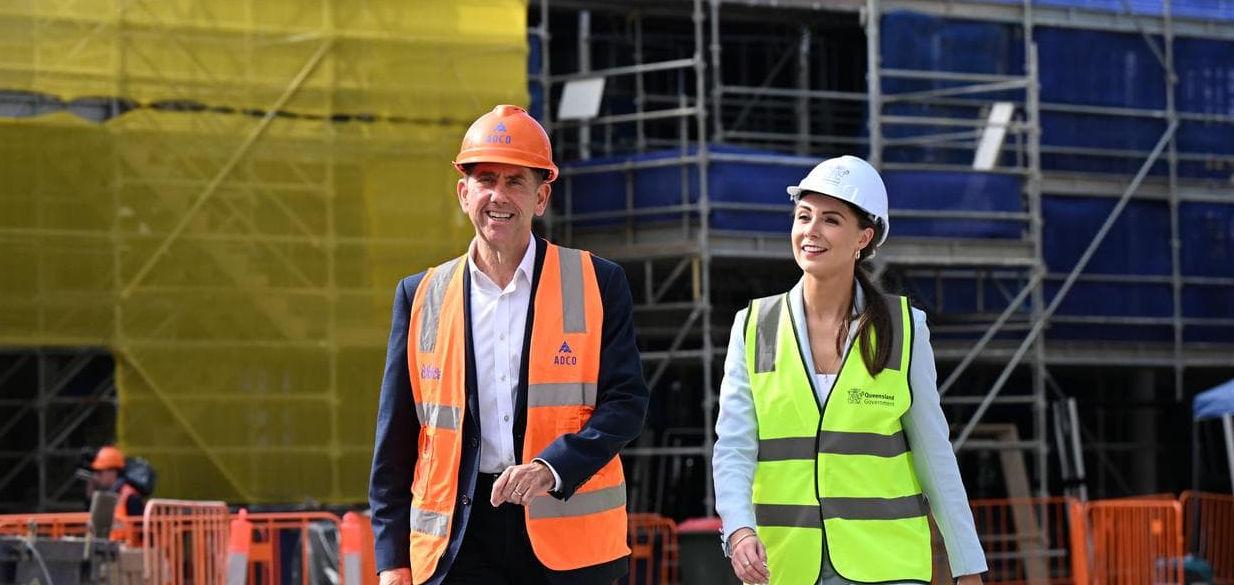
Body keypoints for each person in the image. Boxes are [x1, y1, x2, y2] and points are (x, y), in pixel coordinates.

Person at [368, 104, 649, 585]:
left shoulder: (597, 282)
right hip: (458, 541)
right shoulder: (421, 295)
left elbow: (626, 404)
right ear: (464, 193)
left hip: (568, 541)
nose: (498, 195)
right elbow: (396, 438)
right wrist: (392, 560)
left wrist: (551, 468)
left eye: (515, 181)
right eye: (486, 180)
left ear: (541, 197)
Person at [712, 155, 988, 585]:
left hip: (887, 565)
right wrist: (738, 529)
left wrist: (967, 564)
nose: (811, 230)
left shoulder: (904, 329)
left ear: (864, 237)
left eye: (831, 220)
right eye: (804, 216)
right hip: (784, 564)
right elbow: (734, 447)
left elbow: (935, 455)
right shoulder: (755, 327)